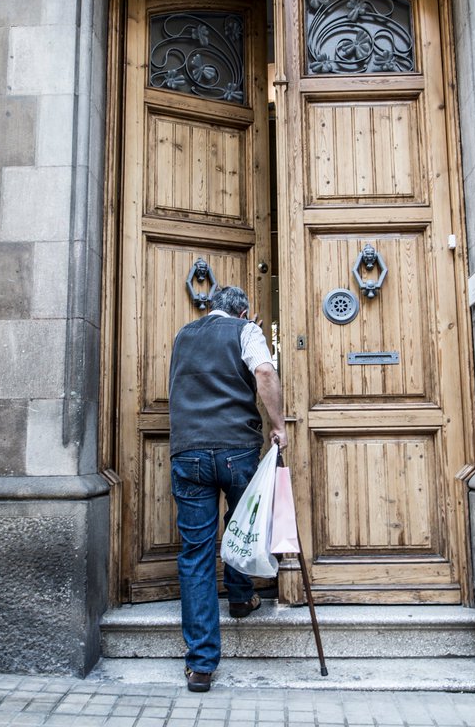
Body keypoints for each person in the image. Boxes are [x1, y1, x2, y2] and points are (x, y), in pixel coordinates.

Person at [168, 285, 287, 693]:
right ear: (244, 312)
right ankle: (240, 597)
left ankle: (201, 664)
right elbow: (265, 372)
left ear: (212, 308)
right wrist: (279, 425)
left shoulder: (184, 335)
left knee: (196, 553)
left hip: (188, 452)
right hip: (236, 449)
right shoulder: (245, 332)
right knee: (241, 526)